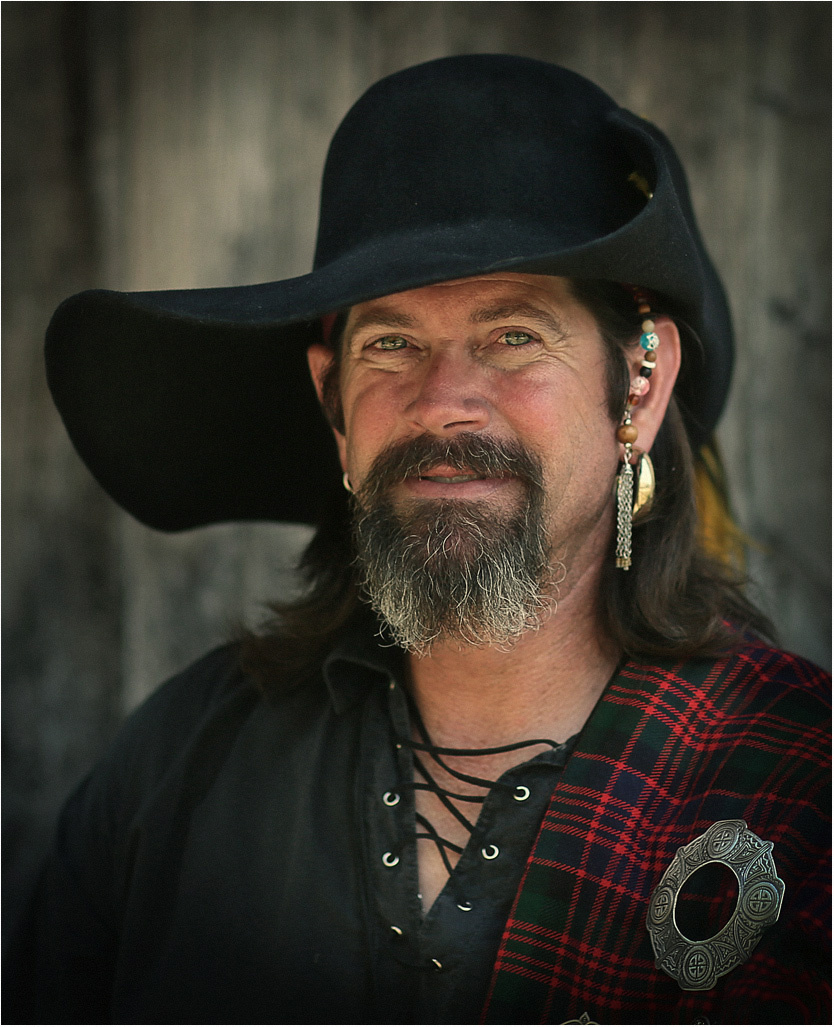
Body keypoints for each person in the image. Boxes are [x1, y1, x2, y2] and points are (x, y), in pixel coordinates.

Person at [6, 55, 829, 1025]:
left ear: (639, 388)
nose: (443, 402)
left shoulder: (799, 779)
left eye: (513, 334)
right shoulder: (182, 764)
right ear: (334, 401)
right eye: (390, 343)